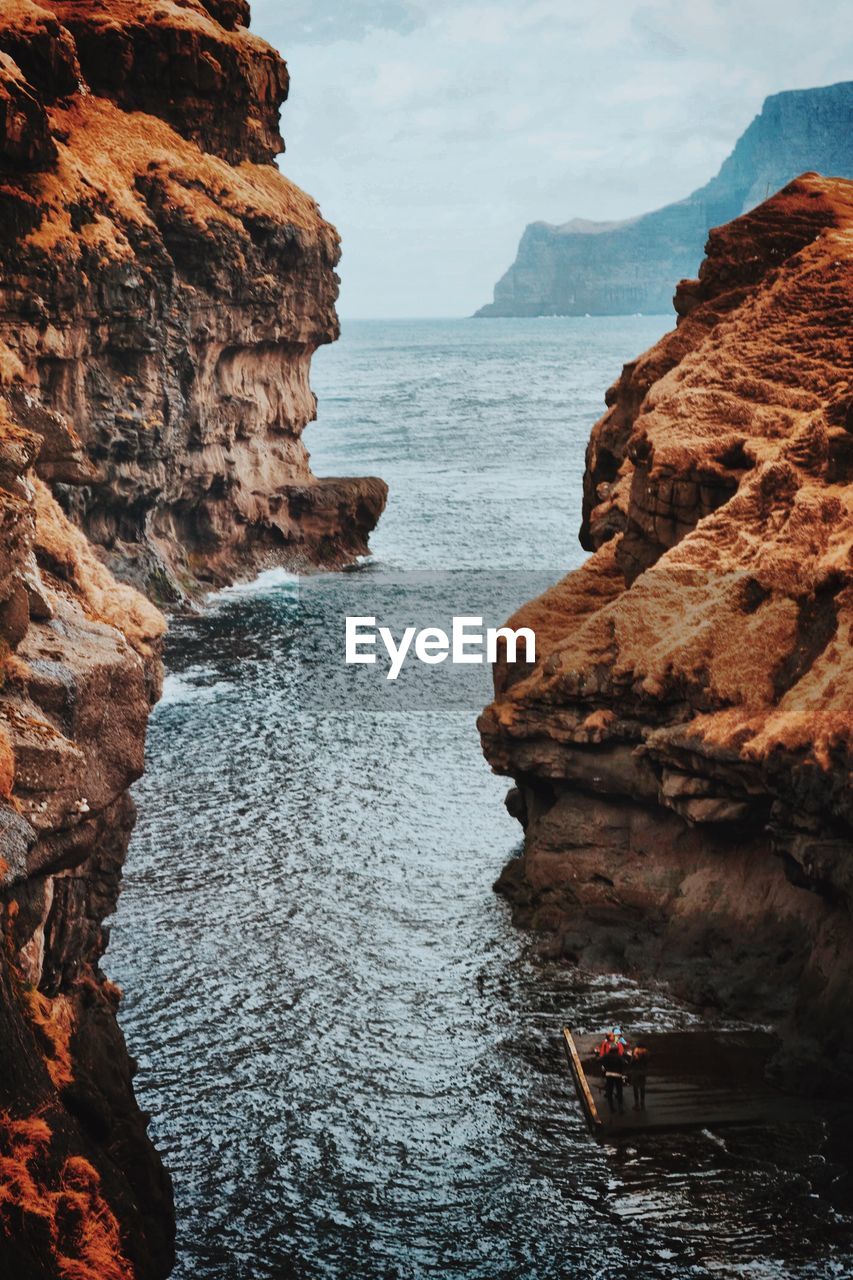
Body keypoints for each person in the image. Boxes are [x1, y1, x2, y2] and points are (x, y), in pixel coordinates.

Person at [601, 1042, 626, 1114]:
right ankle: (620, 1108)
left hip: (609, 1075)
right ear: (616, 1049)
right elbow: (624, 1063)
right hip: (618, 1075)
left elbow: (598, 1060)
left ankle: (611, 1108)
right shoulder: (619, 1056)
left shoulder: (606, 1056)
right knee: (619, 1091)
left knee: (609, 1091)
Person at [629, 1043, 650, 1110]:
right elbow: (647, 1063)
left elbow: (631, 1063)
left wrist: (634, 1057)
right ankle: (642, 1103)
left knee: (635, 1088)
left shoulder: (635, 1052)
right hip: (643, 1072)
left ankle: (637, 1104)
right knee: (642, 1087)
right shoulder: (646, 1053)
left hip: (635, 1072)